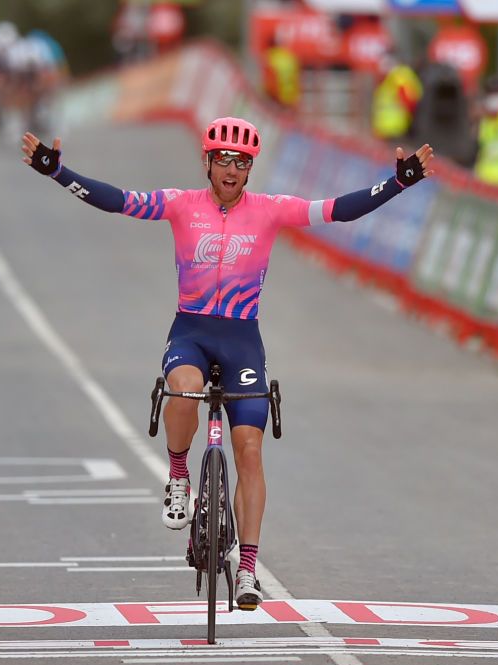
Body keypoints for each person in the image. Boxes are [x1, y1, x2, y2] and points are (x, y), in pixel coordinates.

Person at [21, 118, 434, 610]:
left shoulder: (270, 210)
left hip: (242, 339)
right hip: (192, 332)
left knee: (250, 449)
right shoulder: (181, 205)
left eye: (242, 162)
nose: (233, 169)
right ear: (208, 163)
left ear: (250, 169)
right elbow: (118, 200)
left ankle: (247, 569)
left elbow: (339, 211)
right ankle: (179, 475)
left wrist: (399, 182)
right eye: (224, 160)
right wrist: (57, 172)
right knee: (183, 388)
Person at [371, 55, 422, 142]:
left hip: (396, 129)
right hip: (387, 130)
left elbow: (409, 101)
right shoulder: (390, 81)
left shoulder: (399, 78)